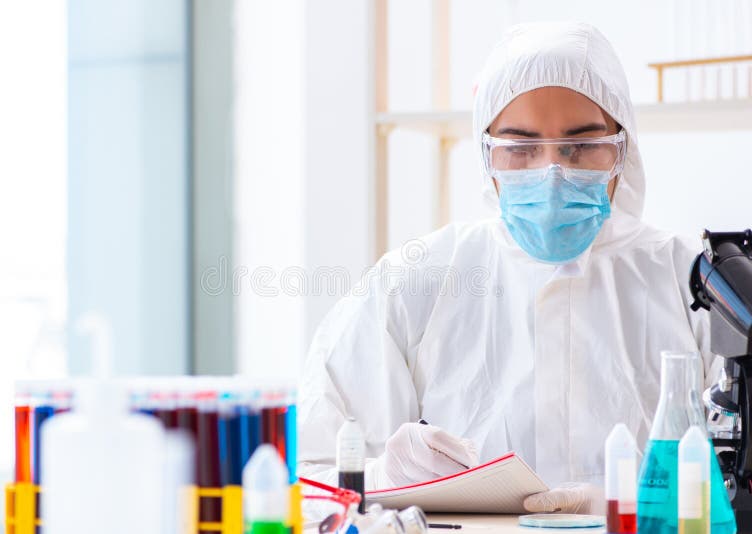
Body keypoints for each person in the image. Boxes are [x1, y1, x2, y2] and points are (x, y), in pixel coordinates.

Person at [297, 21, 713, 514]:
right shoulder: (415, 281)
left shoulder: (695, 281)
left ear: (623, 148)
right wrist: (381, 476)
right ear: (486, 152)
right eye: (520, 148)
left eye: (581, 146)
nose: (552, 174)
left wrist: (635, 505)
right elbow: (307, 479)